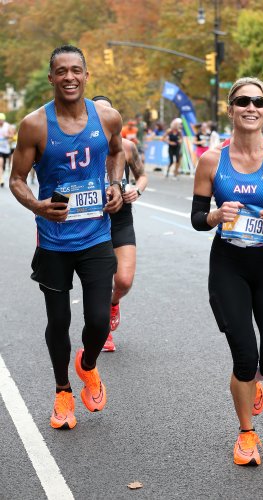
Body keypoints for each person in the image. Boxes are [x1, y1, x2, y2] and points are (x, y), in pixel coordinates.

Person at [191, 77, 263, 466]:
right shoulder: (212, 160)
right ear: (230, 109)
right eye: (242, 101)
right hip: (228, 265)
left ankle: (255, 382)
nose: (251, 107)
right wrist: (214, 215)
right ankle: (246, 434)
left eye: (258, 101)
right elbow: (196, 218)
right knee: (245, 356)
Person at [9, 45, 125, 430]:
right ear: (51, 78)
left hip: (96, 237)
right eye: (62, 71)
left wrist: (114, 184)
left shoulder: (107, 117)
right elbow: (17, 180)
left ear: (87, 75)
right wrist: (39, 207)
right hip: (54, 242)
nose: (70, 77)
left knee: (97, 321)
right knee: (58, 322)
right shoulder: (35, 125)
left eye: (76, 70)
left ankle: (87, 365)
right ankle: (62, 391)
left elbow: (117, 152)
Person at [92, 95, 148, 351]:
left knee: (123, 280)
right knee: (101, 280)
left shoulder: (126, 147)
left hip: (121, 219)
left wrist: (137, 189)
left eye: (109, 112)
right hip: (92, 222)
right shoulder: (84, 148)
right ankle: (104, 333)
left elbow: (142, 176)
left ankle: (114, 302)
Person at [0, 113, 12, 187]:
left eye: (1, 120)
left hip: (6, 149)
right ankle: (1, 179)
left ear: (4, 120)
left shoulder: (7, 126)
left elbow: (12, 135)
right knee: (0, 163)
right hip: (0, 149)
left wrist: (7, 136)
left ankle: (3, 174)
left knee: (4, 165)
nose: (0, 122)